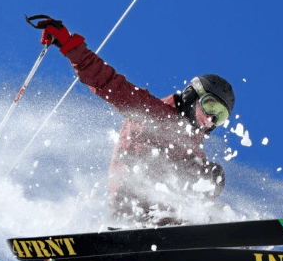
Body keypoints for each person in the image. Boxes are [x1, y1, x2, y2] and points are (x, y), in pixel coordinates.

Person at [29, 15, 234, 226]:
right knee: (187, 180)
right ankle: (168, 226)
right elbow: (107, 83)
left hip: (166, 210)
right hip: (131, 198)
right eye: (210, 106)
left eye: (219, 116)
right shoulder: (151, 111)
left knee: (211, 177)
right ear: (193, 95)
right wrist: (68, 44)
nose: (210, 119)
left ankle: (220, 241)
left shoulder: (194, 151)